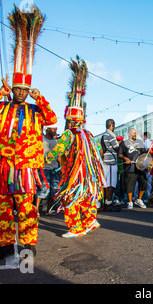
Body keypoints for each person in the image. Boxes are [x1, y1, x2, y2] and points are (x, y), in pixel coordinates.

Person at [0, 6, 55, 261]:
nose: (20, 93)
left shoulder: (35, 110)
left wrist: (40, 98)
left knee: (25, 207)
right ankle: (4, 243)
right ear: (12, 89)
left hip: (25, 167)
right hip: (1, 165)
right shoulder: (0, 106)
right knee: (0, 209)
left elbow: (52, 120)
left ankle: (28, 243)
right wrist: (0, 92)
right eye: (17, 89)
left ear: (28, 90)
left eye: (24, 90)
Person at [45, 56, 105, 238]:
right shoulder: (88, 134)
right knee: (85, 198)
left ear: (70, 119)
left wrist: (45, 159)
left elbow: (58, 150)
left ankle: (76, 228)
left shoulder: (69, 134)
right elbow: (96, 154)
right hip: (88, 176)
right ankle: (90, 221)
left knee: (70, 199)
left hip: (73, 175)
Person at [118, 128, 148, 210]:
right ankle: (130, 202)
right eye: (132, 133)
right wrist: (125, 158)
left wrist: (148, 153)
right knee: (129, 186)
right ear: (128, 134)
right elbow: (119, 155)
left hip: (140, 167)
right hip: (130, 168)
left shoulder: (140, 142)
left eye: (135, 133)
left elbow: (144, 153)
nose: (134, 134)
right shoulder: (124, 143)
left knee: (144, 184)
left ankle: (139, 199)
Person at [35, 124, 60, 215]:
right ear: (47, 129)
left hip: (54, 168)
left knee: (54, 188)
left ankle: (49, 209)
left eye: (56, 129)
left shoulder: (56, 141)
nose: (55, 131)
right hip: (43, 168)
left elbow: (58, 155)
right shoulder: (41, 139)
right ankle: (36, 209)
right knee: (42, 188)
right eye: (53, 129)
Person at [100, 119, 121, 212]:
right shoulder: (111, 135)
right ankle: (108, 203)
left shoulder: (104, 135)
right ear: (112, 125)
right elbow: (117, 147)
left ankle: (105, 203)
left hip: (106, 161)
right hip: (111, 162)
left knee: (106, 183)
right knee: (111, 184)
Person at [143, 131, 153, 198]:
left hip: (146, 162)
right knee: (150, 180)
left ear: (145, 136)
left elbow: (146, 152)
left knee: (147, 180)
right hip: (151, 162)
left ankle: (149, 195)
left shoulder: (146, 142)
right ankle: (150, 196)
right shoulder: (151, 142)